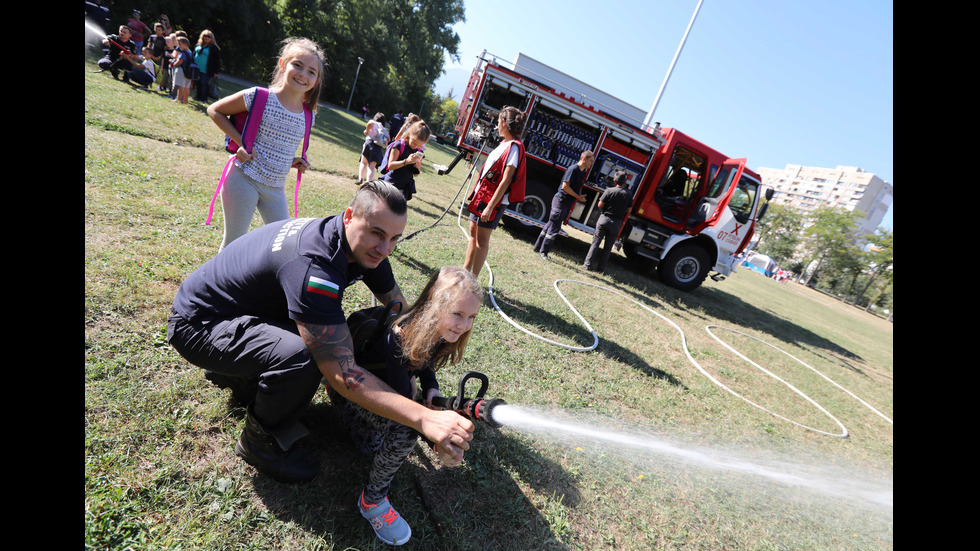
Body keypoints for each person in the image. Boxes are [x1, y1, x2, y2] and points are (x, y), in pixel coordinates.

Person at [166, 181, 475, 488]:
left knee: (321, 339)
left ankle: (241, 376)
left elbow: (402, 312)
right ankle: (260, 443)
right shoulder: (316, 270)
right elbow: (342, 374)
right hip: (199, 324)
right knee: (307, 355)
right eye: (378, 234)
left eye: (395, 238)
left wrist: (427, 365)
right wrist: (423, 418)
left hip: (236, 311)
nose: (386, 249)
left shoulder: (361, 246)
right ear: (349, 216)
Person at [336, 266, 482, 545]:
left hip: (389, 390)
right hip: (353, 393)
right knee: (404, 431)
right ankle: (372, 501)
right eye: (458, 314)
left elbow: (424, 363)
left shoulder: (439, 329)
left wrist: (431, 387)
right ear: (435, 306)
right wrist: (436, 440)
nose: (464, 325)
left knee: (375, 443)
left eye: (471, 317)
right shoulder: (400, 334)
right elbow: (403, 405)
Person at [206, 37, 326, 250]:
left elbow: (276, 145)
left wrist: (293, 160)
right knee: (233, 243)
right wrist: (241, 142)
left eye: (311, 71)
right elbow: (215, 110)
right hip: (244, 179)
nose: (303, 74)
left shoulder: (309, 116)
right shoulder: (259, 97)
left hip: (276, 189)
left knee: (282, 246)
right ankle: (214, 283)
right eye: (297, 65)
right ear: (282, 64)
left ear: (316, 81)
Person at [463, 106, 527, 277]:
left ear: (505, 123)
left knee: (482, 241)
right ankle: (465, 273)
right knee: (473, 234)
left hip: (492, 201)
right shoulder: (503, 144)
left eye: (499, 122)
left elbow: (506, 180)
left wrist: (490, 207)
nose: (497, 125)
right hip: (482, 195)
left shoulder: (514, 147)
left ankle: (473, 279)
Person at [533, 150, 595, 260]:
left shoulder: (582, 172)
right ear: (584, 158)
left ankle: (537, 247)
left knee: (550, 224)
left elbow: (576, 187)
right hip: (560, 201)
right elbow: (565, 187)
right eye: (590, 160)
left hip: (566, 203)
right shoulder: (573, 169)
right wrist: (577, 197)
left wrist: (580, 195)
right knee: (554, 228)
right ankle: (543, 252)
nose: (592, 163)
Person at [583, 170, 633, 273]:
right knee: (608, 248)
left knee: (595, 243)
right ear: (625, 182)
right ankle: (600, 269)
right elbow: (629, 210)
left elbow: (600, 205)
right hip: (616, 223)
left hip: (604, 219)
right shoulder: (629, 194)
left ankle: (587, 265)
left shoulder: (609, 190)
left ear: (614, 181)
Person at [381, 120, 431, 202]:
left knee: (397, 213)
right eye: (414, 142)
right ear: (409, 134)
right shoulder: (399, 145)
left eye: (419, 145)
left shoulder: (419, 152)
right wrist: (406, 161)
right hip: (391, 184)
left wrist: (416, 165)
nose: (416, 146)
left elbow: (416, 174)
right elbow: (390, 165)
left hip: (405, 187)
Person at [355, 113, 388, 185]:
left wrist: (367, 131)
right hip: (378, 148)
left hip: (369, 143)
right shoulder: (384, 129)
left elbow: (370, 122)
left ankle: (360, 178)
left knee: (363, 163)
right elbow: (388, 139)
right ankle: (368, 182)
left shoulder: (374, 123)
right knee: (371, 167)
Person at [193, 29, 222, 103]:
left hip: (207, 69)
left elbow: (217, 61)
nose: (206, 38)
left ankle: (203, 99)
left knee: (204, 83)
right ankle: (198, 97)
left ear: (212, 38)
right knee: (198, 83)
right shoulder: (199, 44)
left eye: (209, 37)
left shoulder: (214, 48)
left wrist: (216, 72)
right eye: (205, 36)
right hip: (196, 68)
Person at [170, 36, 194, 104]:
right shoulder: (190, 53)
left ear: (185, 45)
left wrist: (174, 63)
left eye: (180, 44)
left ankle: (178, 99)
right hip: (189, 72)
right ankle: (185, 100)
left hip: (181, 70)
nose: (179, 46)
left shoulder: (183, 53)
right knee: (186, 87)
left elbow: (180, 61)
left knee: (181, 86)